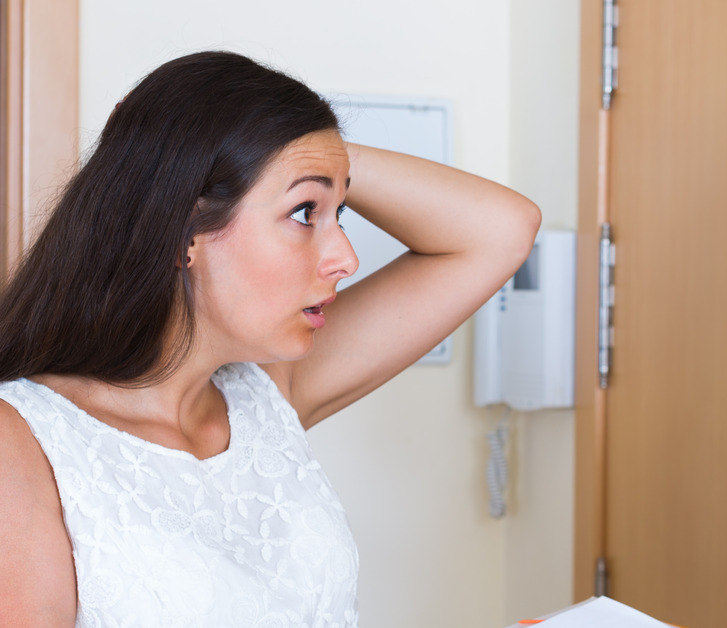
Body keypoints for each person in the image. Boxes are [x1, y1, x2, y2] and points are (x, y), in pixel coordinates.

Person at [0, 51, 539, 626]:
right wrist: (206, 150)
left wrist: (302, 151)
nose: (346, 258)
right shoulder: (22, 447)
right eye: (306, 212)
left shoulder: (263, 396)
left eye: (339, 211)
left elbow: (503, 230)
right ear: (182, 229)